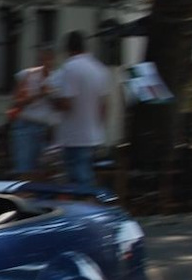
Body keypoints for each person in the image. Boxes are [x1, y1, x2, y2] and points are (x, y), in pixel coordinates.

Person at [49, 30, 114, 189]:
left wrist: (51, 99)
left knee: (77, 180)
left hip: (74, 135)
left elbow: (67, 104)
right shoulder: (99, 68)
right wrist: (101, 128)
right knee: (87, 175)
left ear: (68, 49)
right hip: (93, 134)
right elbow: (104, 105)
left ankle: (85, 209)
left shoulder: (70, 69)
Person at [9, 45, 59, 177]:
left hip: (46, 127)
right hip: (27, 125)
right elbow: (16, 101)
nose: (46, 62)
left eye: (49, 59)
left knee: (44, 171)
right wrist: (39, 94)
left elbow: (58, 106)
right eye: (43, 59)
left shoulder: (56, 78)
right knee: (25, 169)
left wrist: (51, 96)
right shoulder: (27, 75)